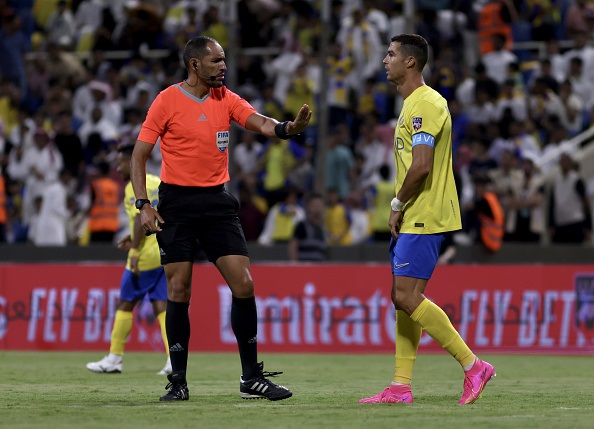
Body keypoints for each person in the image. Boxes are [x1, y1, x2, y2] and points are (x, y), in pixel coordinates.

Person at [131, 36, 311, 401]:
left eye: (224, 60)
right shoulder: (166, 100)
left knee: (243, 284)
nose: (223, 67)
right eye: (216, 61)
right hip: (177, 203)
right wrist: (143, 204)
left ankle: (251, 379)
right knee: (179, 289)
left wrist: (286, 129)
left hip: (217, 202)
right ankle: (178, 382)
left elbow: (257, 121)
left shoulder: (225, 98)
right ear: (194, 65)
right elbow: (139, 156)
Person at [359, 34, 495, 406]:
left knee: (406, 296)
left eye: (391, 54)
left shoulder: (426, 103)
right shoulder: (410, 105)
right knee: (401, 298)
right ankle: (401, 387)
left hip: (424, 214)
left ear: (411, 63)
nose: (385, 60)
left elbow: (421, 166)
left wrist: (397, 204)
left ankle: (473, 365)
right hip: (415, 214)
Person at [87, 144, 171, 375]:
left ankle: (114, 357)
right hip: (161, 250)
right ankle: (173, 359)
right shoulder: (156, 181)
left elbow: (138, 218)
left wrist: (134, 249)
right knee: (160, 305)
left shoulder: (133, 186)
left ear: (134, 163)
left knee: (125, 302)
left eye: (122, 162)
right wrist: (132, 237)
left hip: (143, 255)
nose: (118, 167)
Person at [288, 192, 327, 262]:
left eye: (319, 205)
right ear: (309, 206)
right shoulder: (302, 225)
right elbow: (293, 245)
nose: (317, 208)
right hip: (305, 268)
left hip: (319, 268)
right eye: (314, 205)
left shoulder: (323, 229)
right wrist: (294, 265)